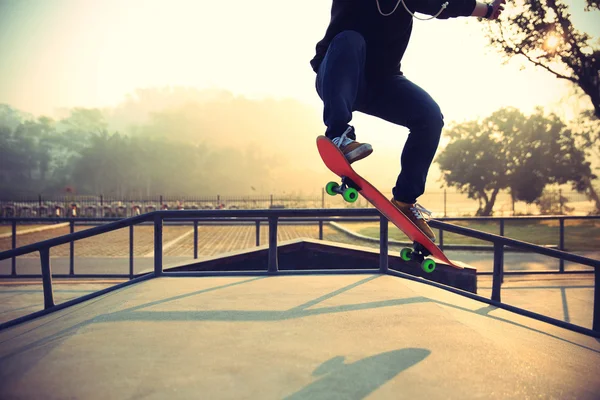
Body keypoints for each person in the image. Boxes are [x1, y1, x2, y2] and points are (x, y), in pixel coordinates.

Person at [311, 0, 505, 240]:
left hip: (383, 83)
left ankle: (405, 199)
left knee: (430, 117)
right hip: (338, 75)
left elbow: (446, 5)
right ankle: (339, 135)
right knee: (350, 39)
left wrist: (486, 10)